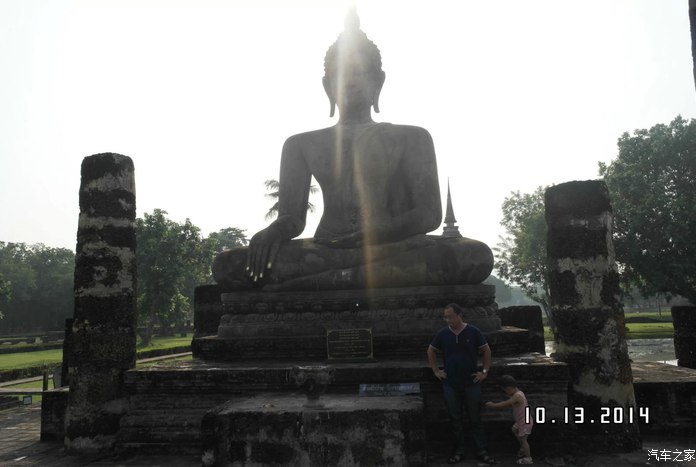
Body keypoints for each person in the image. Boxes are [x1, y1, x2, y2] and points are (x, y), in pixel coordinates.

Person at [212, 10, 494, 292]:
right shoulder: (300, 144)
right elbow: (293, 219)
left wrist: (377, 233)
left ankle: (322, 282)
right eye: (341, 74)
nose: (350, 82)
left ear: (378, 82)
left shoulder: (412, 138)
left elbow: (429, 214)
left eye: (358, 73)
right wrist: (272, 233)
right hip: (326, 249)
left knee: (474, 256)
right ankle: (351, 276)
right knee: (228, 265)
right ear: (328, 86)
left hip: (392, 246)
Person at [427, 303, 496, 465]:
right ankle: (459, 450)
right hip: (450, 383)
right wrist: (436, 371)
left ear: (459, 315)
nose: (447, 320)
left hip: (471, 382)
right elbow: (431, 350)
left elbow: (486, 350)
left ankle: (482, 450)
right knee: (455, 419)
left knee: (475, 418)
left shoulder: (473, 331)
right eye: (445, 317)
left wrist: (484, 372)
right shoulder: (443, 333)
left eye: (450, 316)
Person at [485, 375, 534, 465]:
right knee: (514, 429)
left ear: (509, 388)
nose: (506, 393)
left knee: (524, 440)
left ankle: (528, 458)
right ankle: (522, 448)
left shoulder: (517, 397)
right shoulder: (519, 393)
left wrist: (493, 405)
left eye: (505, 390)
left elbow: (506, 403)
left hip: (524, 421)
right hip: (522, 420)